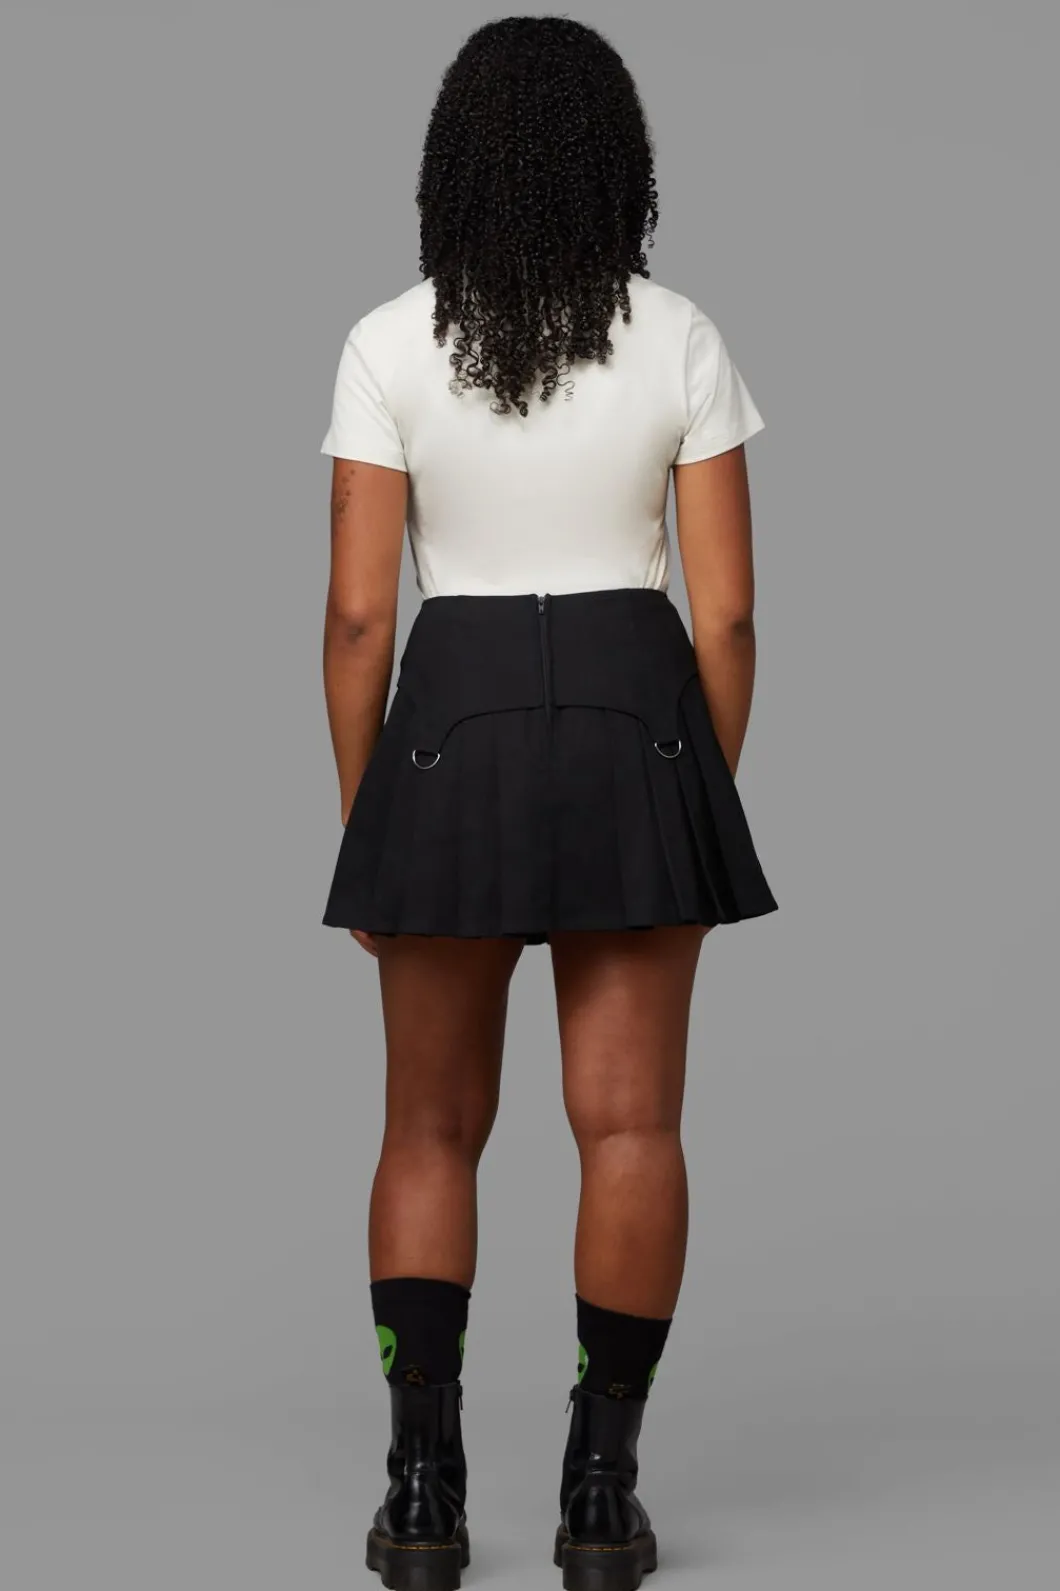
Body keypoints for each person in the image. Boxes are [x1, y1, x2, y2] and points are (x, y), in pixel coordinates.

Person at [318, 17, 776, 1591]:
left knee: (428, 1123)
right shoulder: (680, 337)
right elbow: (728, 615)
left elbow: (359, 618)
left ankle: (421, 1496)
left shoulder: (388, 344)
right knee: (631, 1121)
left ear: (452, 165)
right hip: (638, 721)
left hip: (447, 730)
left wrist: (365, 815)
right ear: (614, 165)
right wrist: (690, 785)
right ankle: (599, 1497)